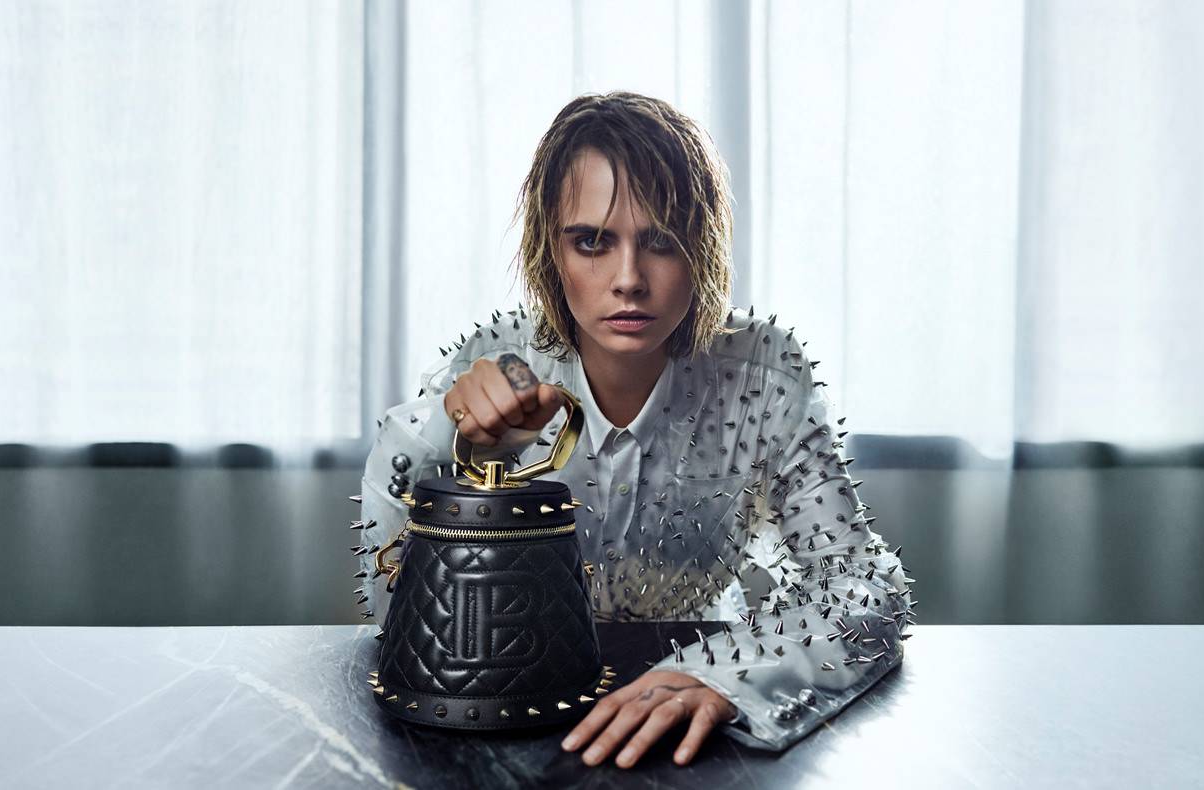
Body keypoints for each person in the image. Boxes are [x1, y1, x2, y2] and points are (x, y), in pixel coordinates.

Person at [357, 91, 916, 767]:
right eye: (592, 242)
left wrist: (730, 675)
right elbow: (392, 610)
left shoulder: (766, 372)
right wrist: (454, 454)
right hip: (510, 708)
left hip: (696, 721)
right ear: (551, 252)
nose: (628, 279)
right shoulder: (500, 361)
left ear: (702, 248)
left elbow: (862, 581)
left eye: (662, 241)